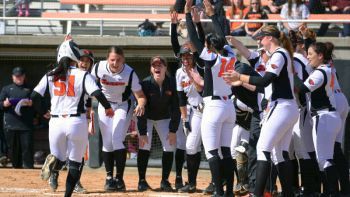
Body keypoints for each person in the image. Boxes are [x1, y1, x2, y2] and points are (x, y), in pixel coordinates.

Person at [223, 25, 299, 196]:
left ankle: (257, 194)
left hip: (281, 107)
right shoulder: (279, 54)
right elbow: (263, 83)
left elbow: (264, 81)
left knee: (263, 149)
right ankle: (288, 194)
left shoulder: (279, 54)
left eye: (261, 37)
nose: (259, 40)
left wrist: (239, 77)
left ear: (270, 38)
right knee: (280, 154)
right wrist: (240, 81)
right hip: (286, 107)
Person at [33, 39, 114, 197]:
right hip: (76, 121)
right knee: (75, 163)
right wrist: (108, 107)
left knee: (59, 157)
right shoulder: (83, 74)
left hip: (55, 121)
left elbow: (34, 96)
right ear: (75, 57)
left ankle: (54, 163)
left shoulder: (50, 74)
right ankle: (67, 194)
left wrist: (44, 111)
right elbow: (97, 94)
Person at [186, 0, 237, 195]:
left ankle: (218, 191)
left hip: (214, 107)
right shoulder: (230, 55)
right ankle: (229, 191)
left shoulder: (212, 57)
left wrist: (189, 18)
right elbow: (223, 38)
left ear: (210, 46)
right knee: (225, 152)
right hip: (229, 107)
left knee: (212, 152)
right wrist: (213, 15)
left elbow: (193, 39)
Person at [91, 46, 146, 192]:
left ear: (124, 60)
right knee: (107, 142)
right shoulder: (98, 68)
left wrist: (140, 105)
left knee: (116, 139)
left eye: (118, 60)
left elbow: (140, 96)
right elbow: (88, 86)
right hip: (104, 105)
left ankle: (120, 178)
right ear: (107, 59)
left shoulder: (129, 72)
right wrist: (88, 108)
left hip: (122, 105)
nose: (115, 63)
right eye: (112, 60)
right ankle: (109, 178)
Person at [294, 42, 342, 196]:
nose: (308, 57)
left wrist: (291, 73)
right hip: (329, 116)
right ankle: (330, 192)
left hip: (324, 117)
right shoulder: (328, 68)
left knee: (324, 160)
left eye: (310, 54)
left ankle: (332, 192)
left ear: (320, 56)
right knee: (326, 158)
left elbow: (302, 88)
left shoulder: (320, 72)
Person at [170, 10, 205, 192]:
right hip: (192, 111)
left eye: (188, 55)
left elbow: (200, 41)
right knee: (192, 147)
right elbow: (181, 97)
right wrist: (184, 119)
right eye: (183, 56)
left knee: (206, 147)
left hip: (207, 108)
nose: (185, 58)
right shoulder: (179, 72)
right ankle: (191, 183)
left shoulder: (200, 65)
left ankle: (216, 182)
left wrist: (196, 24)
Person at [136, 56, 180, 192]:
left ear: (166, 68)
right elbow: (141, 111)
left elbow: (176, 108)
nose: (157, 67)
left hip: (164, 118)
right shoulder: (145, 83)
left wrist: (173, 130)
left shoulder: (172, 82)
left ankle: (165, 181)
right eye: (154, 65)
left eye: (160, 65)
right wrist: (142, 133)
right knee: (144, 145)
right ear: (151, 69)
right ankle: (142, 181)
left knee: (169, 145)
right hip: (147, 118)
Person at [0, 66, 35, 169]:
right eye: (16, 76)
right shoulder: (6, 89)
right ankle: (16, 169)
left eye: (20, 76)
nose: (18, 78)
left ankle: (29, 168)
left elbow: (37, 103)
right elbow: (0, 103)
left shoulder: (30, 89)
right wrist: (4, 104)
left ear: (24, 76)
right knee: (14, 150)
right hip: (11, 124)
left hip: (26, 124)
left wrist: (31, 103)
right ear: (12, 77)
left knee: (27, 148)